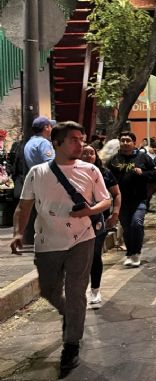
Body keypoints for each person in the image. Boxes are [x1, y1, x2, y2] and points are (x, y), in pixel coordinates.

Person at [9, 122, 112, 376]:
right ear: (56, 142)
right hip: (48, 242)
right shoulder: (38, 172)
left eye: (81, 138)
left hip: (82, 238)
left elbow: (106, 199)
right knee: (48, 290)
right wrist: (19, 233)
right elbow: (24, 206)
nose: (80, 144)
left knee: (76, 291)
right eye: (74, 140)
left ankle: (71, 344)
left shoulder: (90, 170)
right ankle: (70, 314)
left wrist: (90, 211)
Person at [107, 132, 156, 268]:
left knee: (136, 224)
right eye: (122, 140)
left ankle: (136, 253)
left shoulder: (143, 157)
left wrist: (143, 173)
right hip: (121, 200)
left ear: (134, 143)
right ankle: (129, 253)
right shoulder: (114, 159)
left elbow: (155, 174)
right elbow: (108, 177)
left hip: (139, 199)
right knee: (127, 228)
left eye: (127, 140)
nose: (124, 143)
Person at [79, 144, 121, 308]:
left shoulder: (104, 173)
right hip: (75, 222)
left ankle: (95, 290)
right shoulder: (70, 171)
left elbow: (116, 194)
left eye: (91, 153)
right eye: (85, 153)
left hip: (98, 220)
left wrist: (115, 213)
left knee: (94, 255)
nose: (88, 156)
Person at [21, 116, 56, 244]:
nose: (52, 128)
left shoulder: (29, 143)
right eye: (50, 126)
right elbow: (51, 164)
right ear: (46, 127)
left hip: (37, 182)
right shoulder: (44, 143)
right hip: (48, 182)